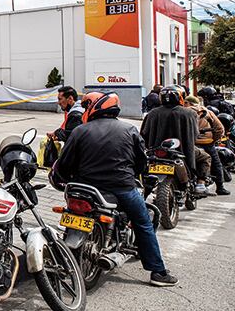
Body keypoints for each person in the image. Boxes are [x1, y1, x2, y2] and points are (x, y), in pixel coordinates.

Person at [52, 92, 178, 287]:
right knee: (143, 222)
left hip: (84, 188)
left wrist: (62, 180)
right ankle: (158, 272)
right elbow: (141, 164)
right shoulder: (129, 129)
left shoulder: (80, 131)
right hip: (122, 187)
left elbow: (63, 164)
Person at [140, 85, 198, 182]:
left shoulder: (152, 113)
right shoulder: (190, 113)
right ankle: (201, 183)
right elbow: (195, 134)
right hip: (183, 151)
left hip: (156, 152)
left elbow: (143, 134)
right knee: (205, 157)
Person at [186, 95, 229, 196]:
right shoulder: (207, 112)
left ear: (189, 103)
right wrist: (213, 140)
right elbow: (219, 128)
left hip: (190, 143)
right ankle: (220, 187)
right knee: (216, 164)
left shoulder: (184, 112)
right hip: (207, 143)